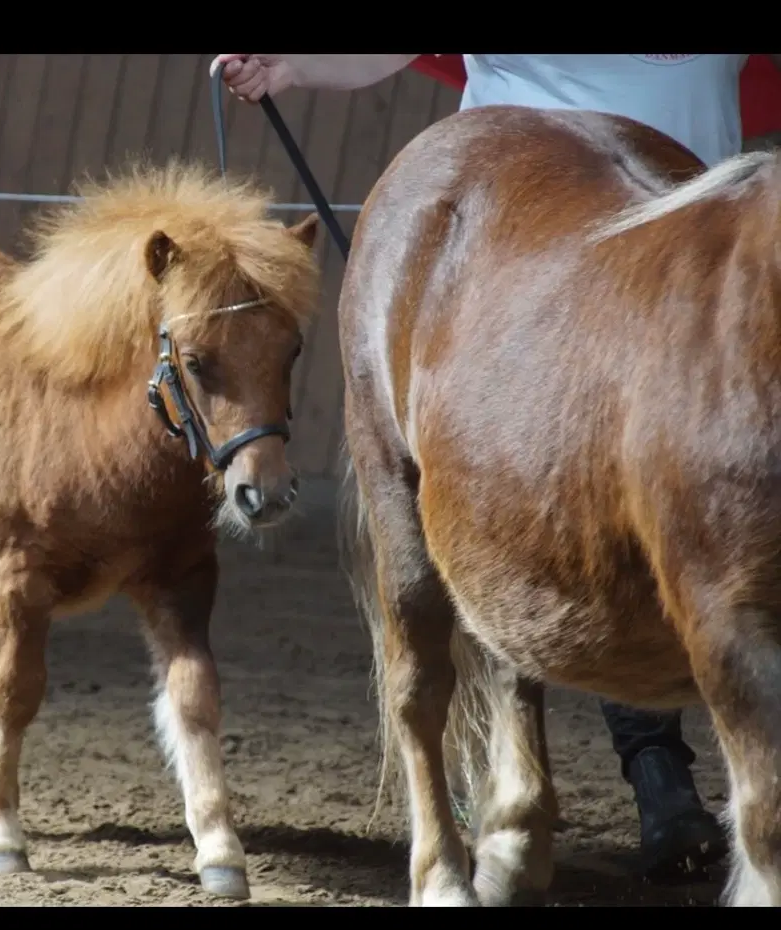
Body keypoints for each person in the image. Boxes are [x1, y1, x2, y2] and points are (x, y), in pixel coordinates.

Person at [212, 52, 761, 882]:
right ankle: (543, 773)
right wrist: (288, 68)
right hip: (533, 252)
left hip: (711, 259)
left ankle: (651, 782)